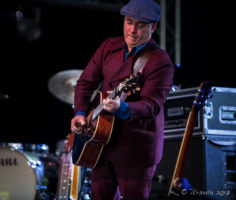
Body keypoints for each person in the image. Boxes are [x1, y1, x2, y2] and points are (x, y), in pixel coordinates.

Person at [70, 0, 174, 199]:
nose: (132, 30)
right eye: (129, 22)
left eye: (140, 25)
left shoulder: (160, 61)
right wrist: (81, 113)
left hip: (136, 148)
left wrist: (121, 107)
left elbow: (152, 105)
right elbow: (84, 82)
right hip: (101, 142)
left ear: (153, 27)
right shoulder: (109, 46)